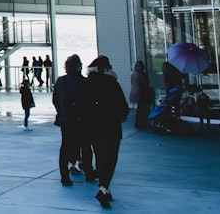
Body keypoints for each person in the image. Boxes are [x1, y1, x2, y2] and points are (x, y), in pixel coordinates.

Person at [85, 56, 129, 208]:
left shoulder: (87, 84)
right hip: (111, 127)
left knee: (100, 158)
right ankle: (103, 188)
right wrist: (121, 117)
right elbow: (123, 106)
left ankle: (105, 189)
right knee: (111, 159)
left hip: (93, 128)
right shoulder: (112, 83)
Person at [53, 54, 89, 186]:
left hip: (66, 118)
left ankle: (64, 176)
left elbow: (56, 100)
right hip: (81, 119)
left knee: (65, 146)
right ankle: (88, 171)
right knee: (85, 145)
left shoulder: (61, 81)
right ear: (79, 67)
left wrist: (61, 111)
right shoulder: (85, 82)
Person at [129, 60, 153, 129]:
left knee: (139, 110)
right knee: (143, 110)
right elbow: (145, 85)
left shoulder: (133, 74)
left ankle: (138, 123)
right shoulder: (142, 74)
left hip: (135, 93)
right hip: (141, 94)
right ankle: (144, 123)